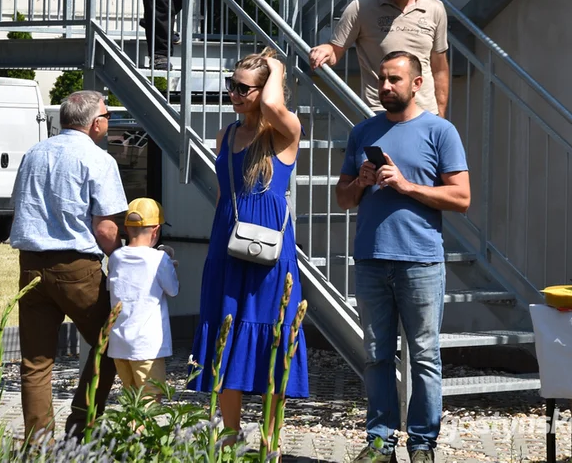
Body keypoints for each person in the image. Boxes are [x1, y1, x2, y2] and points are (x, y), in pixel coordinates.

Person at [337, 51, 470, 463]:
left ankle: (422, 444)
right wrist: (359, 183)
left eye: (394, 79)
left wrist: (407, 186)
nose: (385, 86)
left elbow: (461, 198)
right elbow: (342, 198)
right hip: (373, 259)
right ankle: (379, 442)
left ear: (417, 83)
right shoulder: (363, 132)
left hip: (421, 261)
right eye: (382, 79)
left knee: (425, 356)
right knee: (376, 354)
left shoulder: (440, 131)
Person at [189, 48, 309, 438]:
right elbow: (226, 193)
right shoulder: (227, 133)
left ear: (265, 89)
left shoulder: (284, 132)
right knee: (227, 333)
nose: (234, 93)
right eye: (231, 85)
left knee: (271, 335)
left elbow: (273, 103)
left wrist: (275, 66)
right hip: (228, 243)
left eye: (244, 87)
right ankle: (231, 436)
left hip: (270, 251)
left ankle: (270, 442)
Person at [10, 90, 128, 440]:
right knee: (111, 345)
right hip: (77, 267)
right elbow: (106, 228)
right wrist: (123, 259)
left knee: (35, 362)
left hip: (30, 265)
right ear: (95, 123)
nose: (107, 121)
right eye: (106, 115)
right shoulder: (99, 159)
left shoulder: (34, 153)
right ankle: (80, 432)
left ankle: (38, 445)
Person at [309, 0, 449, 117]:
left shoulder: (435, 9)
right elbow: (336, 50)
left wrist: (440, 116)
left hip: (425, 113)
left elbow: (440, 68)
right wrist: (326, 49)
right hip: (380, 113)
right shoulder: (361, 8)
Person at [106, 198, 180, 400]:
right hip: (147, 346)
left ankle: (130, 431)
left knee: (130, 396)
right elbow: (173, 290)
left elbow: (110, 287)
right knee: (150, 397)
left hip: (119, 344)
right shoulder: (159, 259)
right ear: (156, 230)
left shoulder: (116, 257)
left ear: (126, 228)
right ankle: (143, 433)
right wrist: (170, 267)